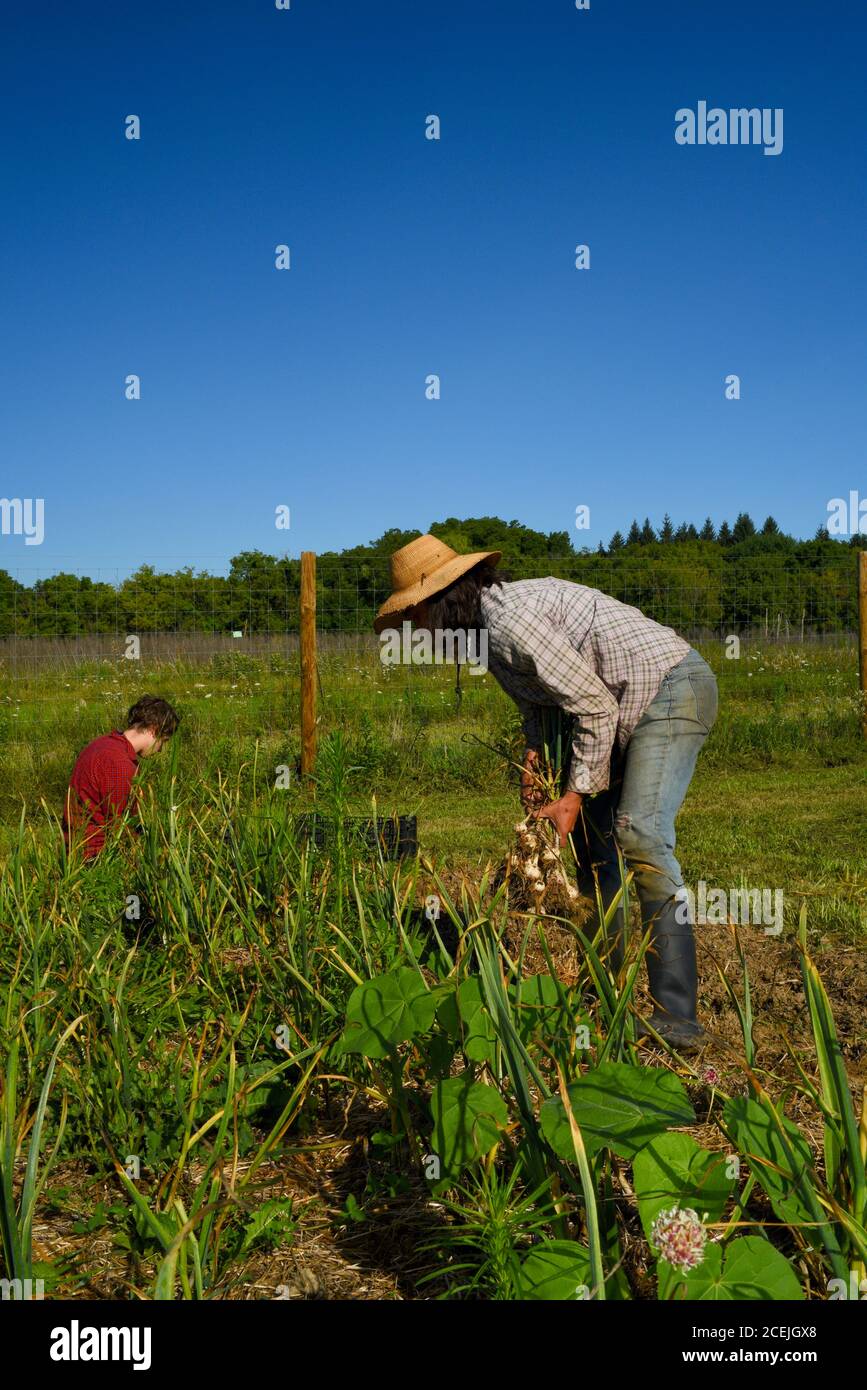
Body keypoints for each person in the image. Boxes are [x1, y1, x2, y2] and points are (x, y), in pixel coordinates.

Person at [373, 534, 718, 1051]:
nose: (415, 629)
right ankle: (608, 993)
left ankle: (679, 1016)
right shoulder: (480, 635)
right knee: (595, 854)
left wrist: (575, 794)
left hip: (669, 688)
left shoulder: (511, 620)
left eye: (416, 615)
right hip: (616, 704)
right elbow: (542, 700)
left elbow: (595, 706)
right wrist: (536, 755)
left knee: (639, 834)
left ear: (441, 600)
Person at [63, 695, 180, 859]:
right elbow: (120, 827)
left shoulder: (103, 743)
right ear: (154, 730)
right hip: (95, 856)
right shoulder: (118, 763)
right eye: (163, 740)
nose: (160, 749)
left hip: (77, 847)